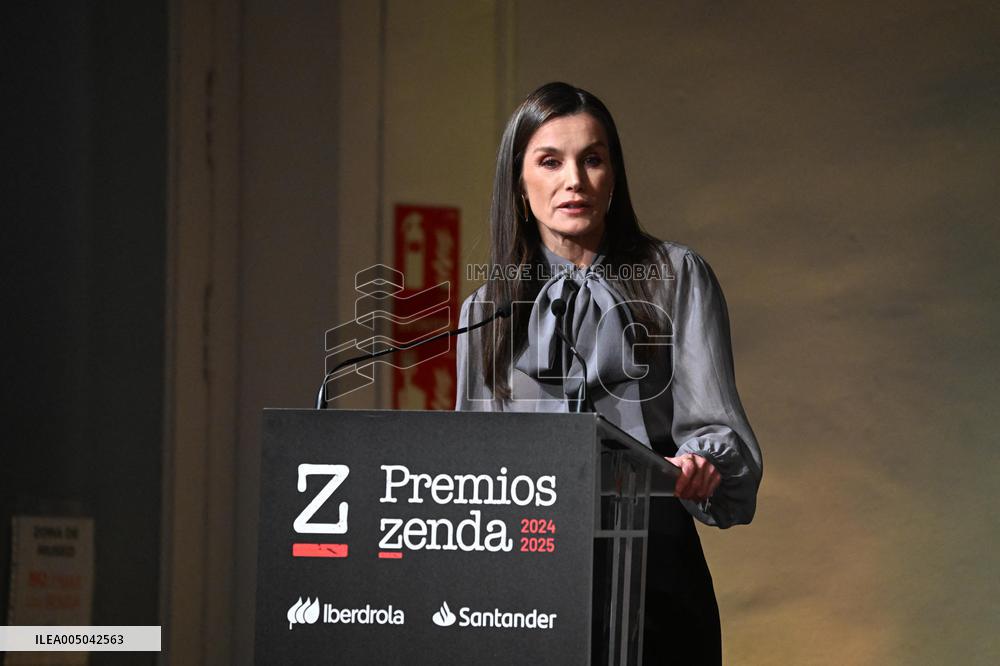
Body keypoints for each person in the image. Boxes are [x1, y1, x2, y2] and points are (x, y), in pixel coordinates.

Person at [454, 81, 762, 665]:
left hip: (654, 573)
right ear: (520, 185)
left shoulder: (674, 275)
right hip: (528, 584)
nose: (574, 179)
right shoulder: (486, 309)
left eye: (592, 159)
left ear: (614, 178)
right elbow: (472, 465)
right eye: (550, 161)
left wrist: (701, 462)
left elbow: (713, 420)